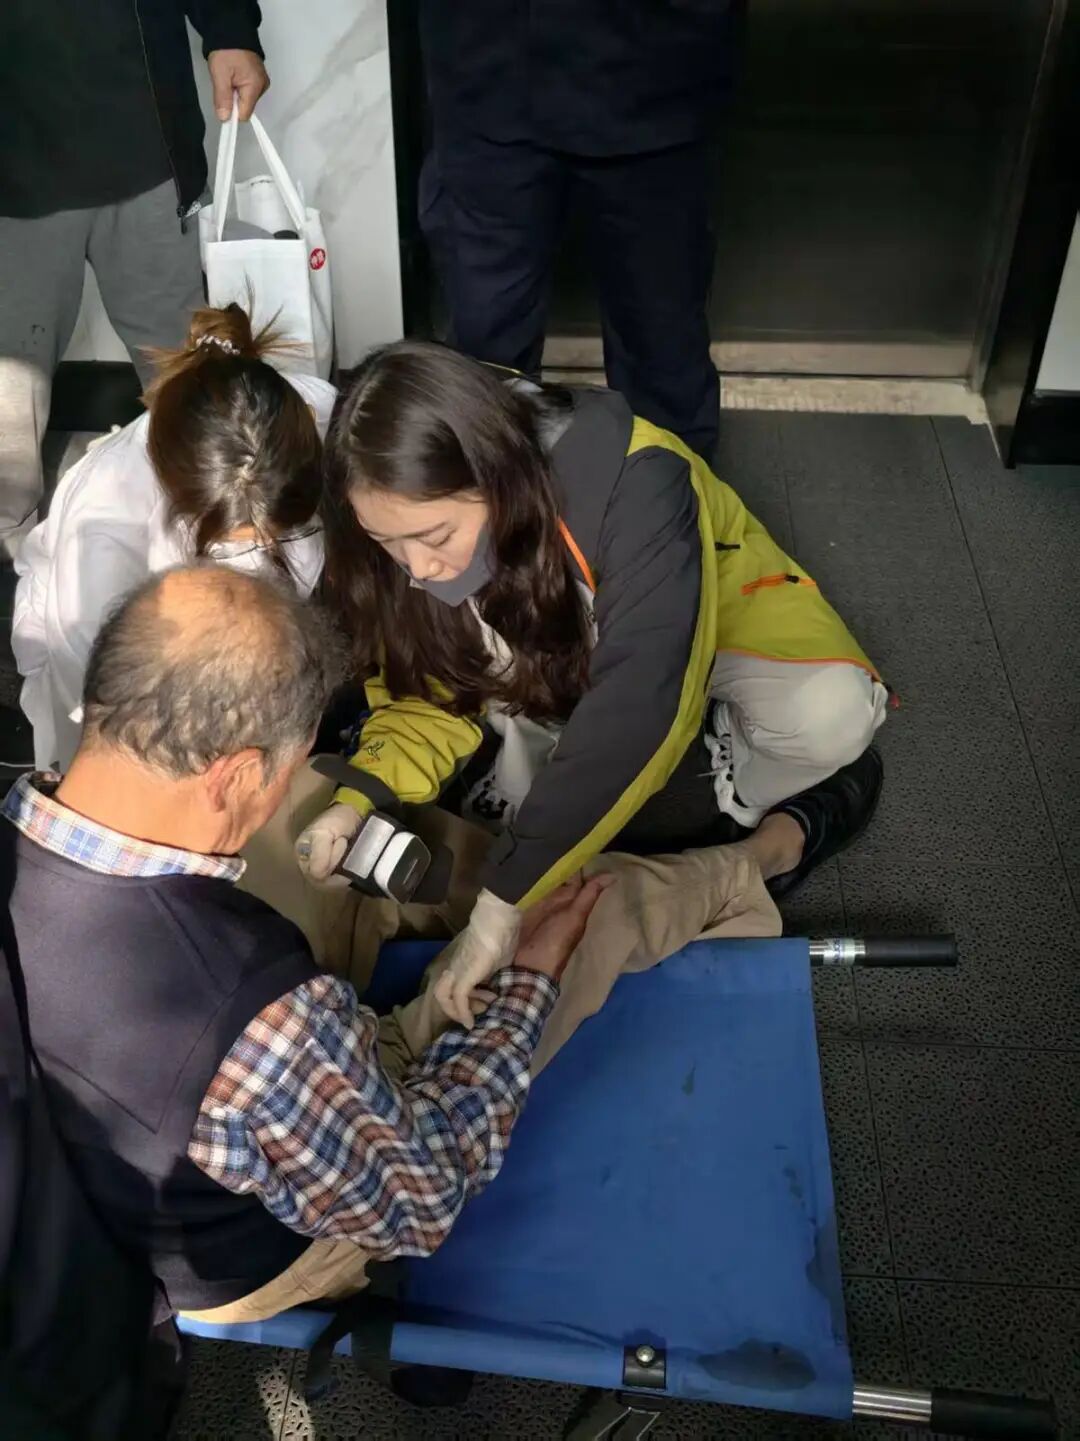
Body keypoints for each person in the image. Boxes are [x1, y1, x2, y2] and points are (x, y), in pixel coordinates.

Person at [0, 564, 614, 1324]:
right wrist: (527, 986)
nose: (279, 789)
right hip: (238, 1263)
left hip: (73, 1196)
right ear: (236, 775)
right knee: (577, 926)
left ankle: (380, 1047)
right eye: (278, 772)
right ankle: (739, 873)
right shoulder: (258, 1015)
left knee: (331, 831)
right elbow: (420, 1204)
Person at [297, 341, 886, 1027]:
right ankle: (631, 783)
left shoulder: (639, 481)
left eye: (433, 537)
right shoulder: (407, 508)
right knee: (543, 819)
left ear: (496, 477)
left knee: (830, 715)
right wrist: (361, 795)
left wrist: (504, 900)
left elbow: (641, 701)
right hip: (574, 636)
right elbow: (427, 690)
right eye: (387, 543)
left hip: (708, 616)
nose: (416, 568)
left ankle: (727, 778)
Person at [12, 303, 334, 772]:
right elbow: (92, 692)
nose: (264, 549)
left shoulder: (299, 416)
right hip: (126, 695)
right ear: (173, 490)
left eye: (274, 534)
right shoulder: (105, 524)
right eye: (243, 539)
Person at [417, 1, 744, 462]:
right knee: (486, 357)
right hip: (487, 72)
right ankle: (495, 496)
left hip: (659, 76)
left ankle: (671, 494)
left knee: (662, 348)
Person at [0, 0, 269, 560]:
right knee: (9, 388)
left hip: (145, 140)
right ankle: (8, 544)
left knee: (184, 365)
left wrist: (230, 29)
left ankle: (223, 535)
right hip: (14, 166)